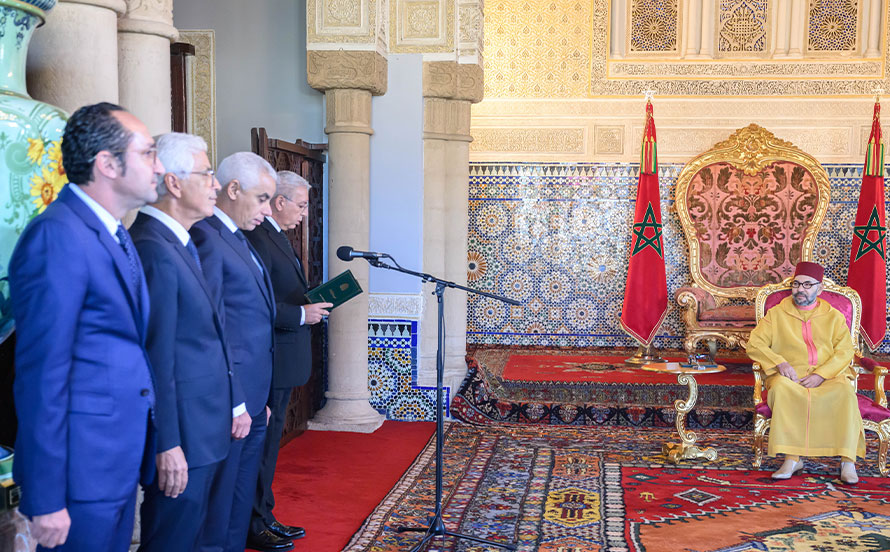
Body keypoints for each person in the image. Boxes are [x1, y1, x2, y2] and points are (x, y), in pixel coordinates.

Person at [9, 102, 163, 550]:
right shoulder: (57, 236)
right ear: (108, 164)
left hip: (115, 459)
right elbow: (42, 376)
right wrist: (46, 495)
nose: (158, 166)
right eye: (149, 153)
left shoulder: (113, 232)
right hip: (80, 473)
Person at [130, 133, 252, 551]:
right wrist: (167, 443)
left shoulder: (183, 242)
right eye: (207, 174)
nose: (216, 185)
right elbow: (156, 357)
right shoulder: (153, 248)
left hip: (206, 428)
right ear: (175, 183)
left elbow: (209, 337)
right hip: (184, 436)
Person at [190, 152, 290, 552]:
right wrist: (236, 403)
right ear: (233, 190)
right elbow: (215, 328)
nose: (267, 211)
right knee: (219, 513)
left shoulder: (237, 238)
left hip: (252, 399)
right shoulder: (207, 237)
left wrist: (260, 399)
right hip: (231, 403)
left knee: (236, 507)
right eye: (262, 199)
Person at [246, 171, 331, 544]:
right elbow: (254, 304)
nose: (303, 213)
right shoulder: (257, 236)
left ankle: (265, 513)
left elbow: (284, 288)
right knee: (262, 446)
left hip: (284, 356)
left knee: (270, 445)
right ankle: (254, 523)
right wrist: (300, 314)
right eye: (299, 205)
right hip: (271, 357)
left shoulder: (277, 235)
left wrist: (311, 299)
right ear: (278, 202)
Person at [746, 261, 865, 484]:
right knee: (781, 390)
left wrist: (822, 374)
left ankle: (847, 461)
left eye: (807, 285)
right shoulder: (777, 313)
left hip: (828, 376)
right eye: (796, 284)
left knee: (845, 394)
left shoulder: (833, 316)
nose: (800, 289)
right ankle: (792, 459)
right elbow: (754, 344)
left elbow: (845, 350)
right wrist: (779, 363)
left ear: (819, 289)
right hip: (790, 376)